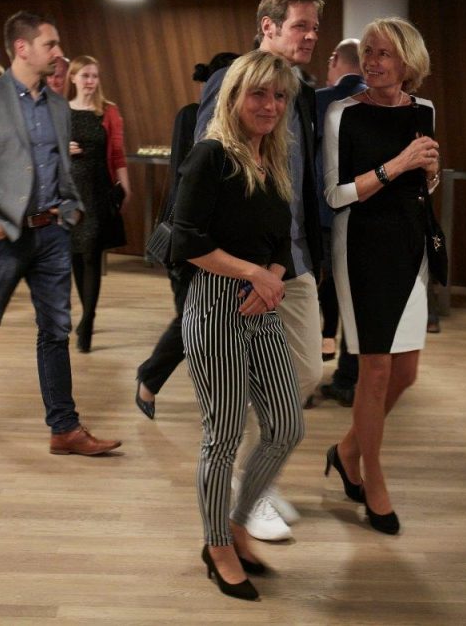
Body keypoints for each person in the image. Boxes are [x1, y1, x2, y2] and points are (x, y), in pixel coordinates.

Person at [0, 10, 121, 455]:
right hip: (2, 237)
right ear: (22, 48)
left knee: (56, 330)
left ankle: (64, 428)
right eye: (50, 44)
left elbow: (61, 166)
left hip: (51, 234)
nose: (59, 52)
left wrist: (71, 210)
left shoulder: (58, 106)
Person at [173, 50, 305, 601]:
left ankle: (238, 521)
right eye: (259, 94)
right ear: (234, 96)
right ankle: (217, 545)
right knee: (223, 436)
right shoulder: (211, 156)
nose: (270, 105)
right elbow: (186, 241)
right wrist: (254, 273)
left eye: (279, 96)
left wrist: (271, 275)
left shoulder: (272, 159)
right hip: (216, 306)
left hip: (262, 304)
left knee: (286, 426)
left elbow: (281, 242)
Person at [195, 0, 324, 542]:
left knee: (306, 373)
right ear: (267, 26)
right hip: (240, 268)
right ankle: (243, 498)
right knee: (246, 388)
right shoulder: (233, 81)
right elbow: (206, 173)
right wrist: (245, 267)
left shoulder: (301, 89)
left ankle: (254, 480)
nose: (311, 36)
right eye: (301, 25)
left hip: (290, 259)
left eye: (315, 27)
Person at [322, 17, 443, 535]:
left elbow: (423, 183)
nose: (371, 62)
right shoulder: (342, 114)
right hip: (361, 247)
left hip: (411, 245)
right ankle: (372, 478)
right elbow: (334, 194)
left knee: (406, 372)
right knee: (373, 371)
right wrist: (397, 165)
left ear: (407, 62)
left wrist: (430, 173)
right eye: (368, 52)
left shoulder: (425, 110)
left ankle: (348, 450)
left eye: (382, 54)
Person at [134, 51, 239, 420]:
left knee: (204, 321)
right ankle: (149, 378)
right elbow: (187, 176)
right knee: (190, 320)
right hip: (189, 234)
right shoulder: (191, 116)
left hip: (214, 239)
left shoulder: (229, 122)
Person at [66, 55, 130, 352]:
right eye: (85, 75)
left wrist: (125, 187)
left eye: (94, 76)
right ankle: (86, 313)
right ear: (73, 78)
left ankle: (88, 320)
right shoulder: (62, 111)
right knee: (77, 255)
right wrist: (61, 148)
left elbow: (117, 152)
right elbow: (45, 151)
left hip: (98, 190)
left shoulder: (108, 110)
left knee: (91, 253)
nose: (91, 81)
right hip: (70, 193)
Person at [315, 38, 367, 406]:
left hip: (321, 216)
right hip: (364, 216)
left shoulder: (317, 101)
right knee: (356, 300)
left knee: (308, 294)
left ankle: (301, 381)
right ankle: (349, 379)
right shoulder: (381, 104)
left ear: (335, 60)